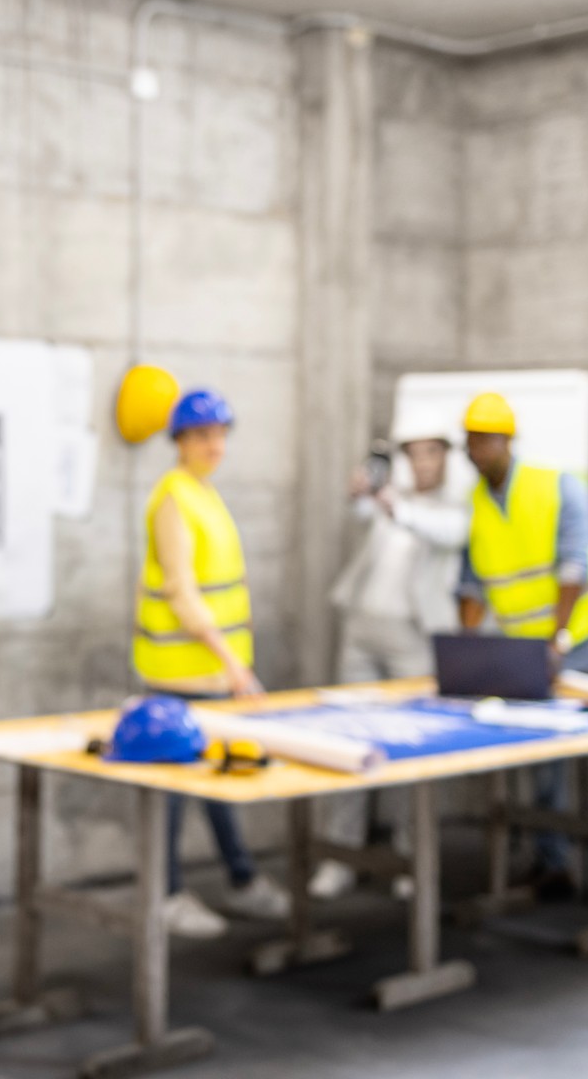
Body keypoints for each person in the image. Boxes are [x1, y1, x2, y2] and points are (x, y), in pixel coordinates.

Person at [455, 392, 588, 921]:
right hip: (535, 652)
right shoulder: (477, 507)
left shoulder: (558, 486)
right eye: (472, 441)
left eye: (485, 440)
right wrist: (467, 650)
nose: (477, 450)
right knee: (546, 756)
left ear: (507, 441)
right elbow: (472, 586)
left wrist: (559, 640)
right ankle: (555, 865)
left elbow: (573, 568)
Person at [131, 388, 291, 938]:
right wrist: (233, 663)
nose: (214, 445)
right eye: (203, 435)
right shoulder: (175, 497)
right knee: (175, 789)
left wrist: (229, 667)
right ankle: (167, 894)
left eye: (221, 434)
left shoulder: (203, 493)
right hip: (179, 675)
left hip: (212, 674)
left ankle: (241, 879)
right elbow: (183, 592)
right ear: (180, 441)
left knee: (219, 778)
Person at [310, 416, 469, 899]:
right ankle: (341, 856)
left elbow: (447, 532)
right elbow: (364, 514)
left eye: (431, 453)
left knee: (410, 748)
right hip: (362, 628)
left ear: (445, 456)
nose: (421, 462)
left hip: (413, 640)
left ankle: (409, 858)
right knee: (346, 740)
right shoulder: (391, 497)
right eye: (414, 453)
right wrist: (363, 493)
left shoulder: (455, 508)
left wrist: (393, 506)